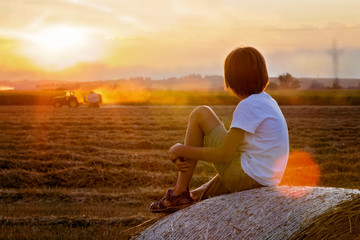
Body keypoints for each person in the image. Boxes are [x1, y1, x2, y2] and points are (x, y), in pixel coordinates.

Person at [150, 47, 289, 213]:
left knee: (201, 113)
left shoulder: (248, 105)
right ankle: (185, 197)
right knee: (200, 196)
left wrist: (183, 150)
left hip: (246, 177)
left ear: (231, 79)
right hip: (263, 179)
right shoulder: (268, 101)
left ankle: (179, 191)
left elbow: (224, 154)